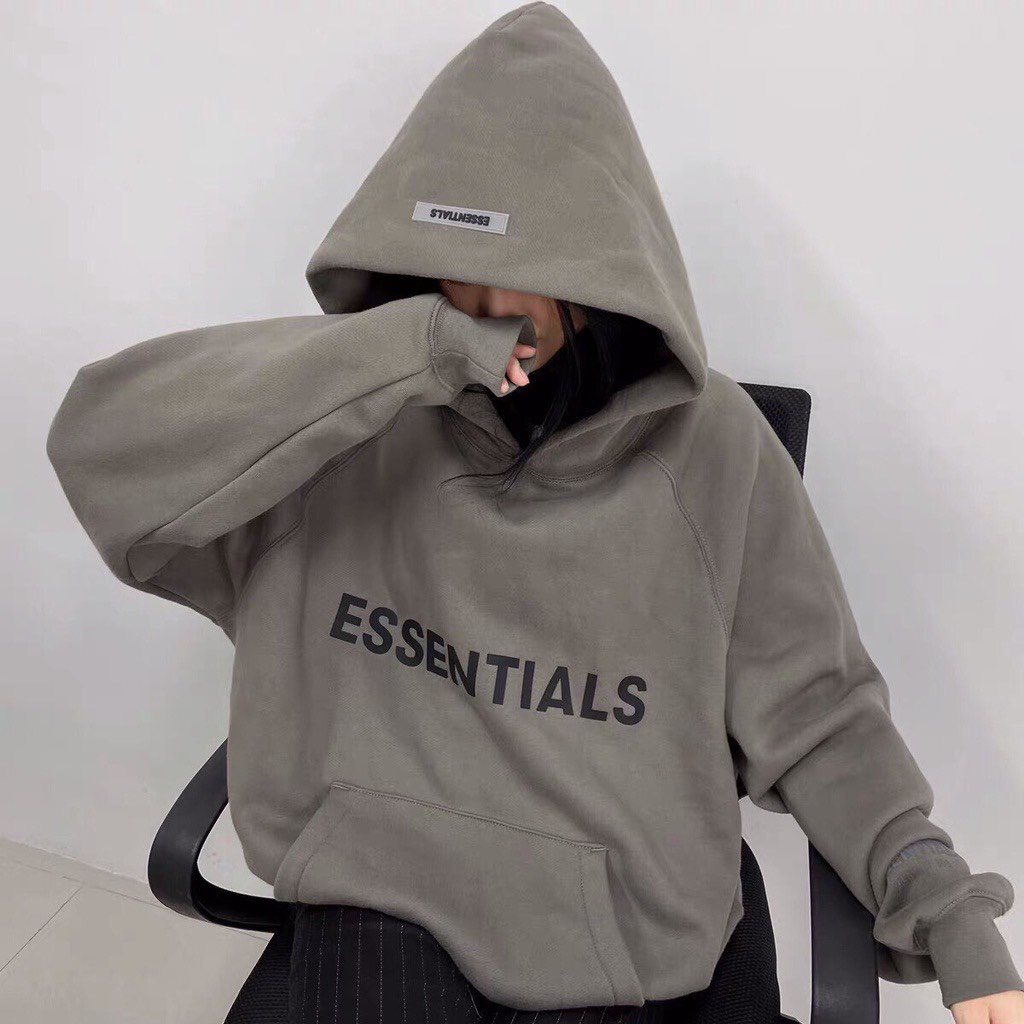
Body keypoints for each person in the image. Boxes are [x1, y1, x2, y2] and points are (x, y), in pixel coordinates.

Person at [45, 3, 1023, 1023]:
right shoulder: (350, 423)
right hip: (376, 881)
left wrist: (937, 897)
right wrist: (400, 355)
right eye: (451, 261)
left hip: (613, 911)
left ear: (604, 261)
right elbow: (104, 448)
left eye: (530, 267)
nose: (486, 302)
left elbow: (817, 712)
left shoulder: (716, 450)